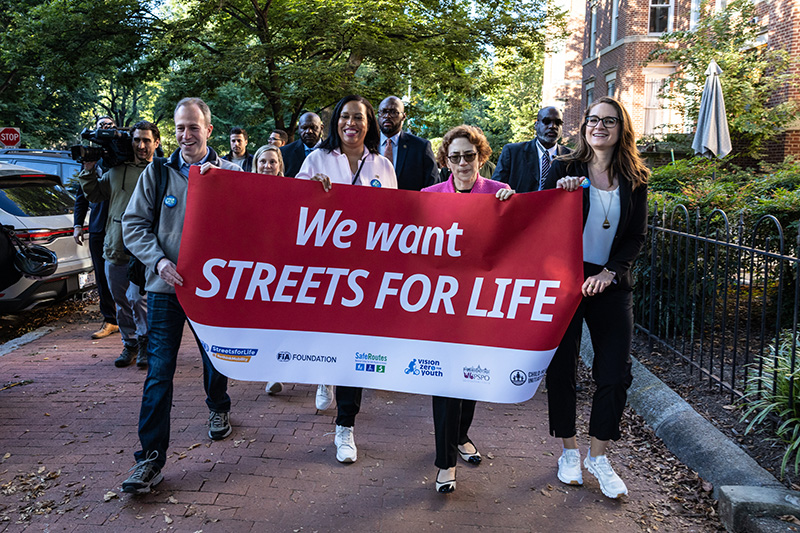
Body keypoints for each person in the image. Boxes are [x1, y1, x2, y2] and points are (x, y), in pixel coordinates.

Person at [120, 97, 243, 494]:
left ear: (209, 130)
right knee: (159, 372)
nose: (185, 135)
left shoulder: (231, 174)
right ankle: (150, 460)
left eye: (193, 127)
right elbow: (134, 224)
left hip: (214, 290)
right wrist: (157, 262)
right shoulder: (157, 173)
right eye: (179, 128)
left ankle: (218, 408)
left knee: (215, 356)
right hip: (165, 290)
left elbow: (265, 215)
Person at [542, 96, 649, 499]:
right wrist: (561, 192)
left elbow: (635, 237)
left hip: (610, 283)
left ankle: (599, 456)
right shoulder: (564, 168)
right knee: (562, 367)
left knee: (615, 373)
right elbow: (540, 220)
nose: (598, 126)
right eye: (592, 119)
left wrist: (611, 273)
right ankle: (568, 451)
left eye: (608, 121)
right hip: (566, 280)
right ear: (584, 126)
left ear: (622, 129)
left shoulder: (636, 177)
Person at [296, 94, 396, 463]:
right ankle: (325, 375)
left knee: (355, 348)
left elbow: (395, 219)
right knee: (326, 338)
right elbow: (290, 209)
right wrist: (309, 190)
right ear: (335, 122)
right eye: (344, 117)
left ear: (368, 123)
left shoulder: (383, 165)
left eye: (358, 117)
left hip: (365, 274)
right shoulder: (316, 160)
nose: (350, 123)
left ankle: (345, 428)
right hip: (324, 270)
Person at [421, 125, 513, 494]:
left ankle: (461, 435)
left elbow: (520, 241)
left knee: (472, 375)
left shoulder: (499, 194)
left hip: (481, 305)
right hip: (440, 305)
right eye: (454, 157)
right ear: (445, 160)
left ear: (482, 157)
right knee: (444, 382)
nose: (462, 163)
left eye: (469, 156)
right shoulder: (428, 196)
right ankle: (445, 463)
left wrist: (513, 208)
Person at [78, 121, 160, 368]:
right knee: (121, 301)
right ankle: (130, 344)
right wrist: (89, 170)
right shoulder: (115, 171)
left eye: (147, 140)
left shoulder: (161, 172)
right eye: (137, 140)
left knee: (138, 298)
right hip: (115, 247)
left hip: (146, 251)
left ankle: (145, 342)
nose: (141, 145)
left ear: (156, 143)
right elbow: (94, 194)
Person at [74, 116, 117, 340]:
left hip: (122, 224)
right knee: (101, 275)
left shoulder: (123, 155)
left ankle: (130, 317)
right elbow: (81, 195)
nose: (106, 129)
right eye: (102, 126)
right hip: (99, 225)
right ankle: (110, 319)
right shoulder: (90, 158)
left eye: (110, 126)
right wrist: (77, 224)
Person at [493, 106, 572, 192]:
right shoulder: (512, 152)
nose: (552, 126)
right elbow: (495, 188)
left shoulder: (571, 157)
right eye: (546, 122)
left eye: (558, 123)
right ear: (536, 125)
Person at [377, 96, 439, 190]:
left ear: (403, 116)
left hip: (409, 203)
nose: (387, 116)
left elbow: (433, 187)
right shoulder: (366, 144)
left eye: (393, 112)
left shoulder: (421, 147)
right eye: (384, 111)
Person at [281, 112, 323, 177]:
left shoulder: (333, 152)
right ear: (298, 129)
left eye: (313, 127)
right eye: (304, 127)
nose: (309, 131)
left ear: (321, 128)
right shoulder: (284, 153)